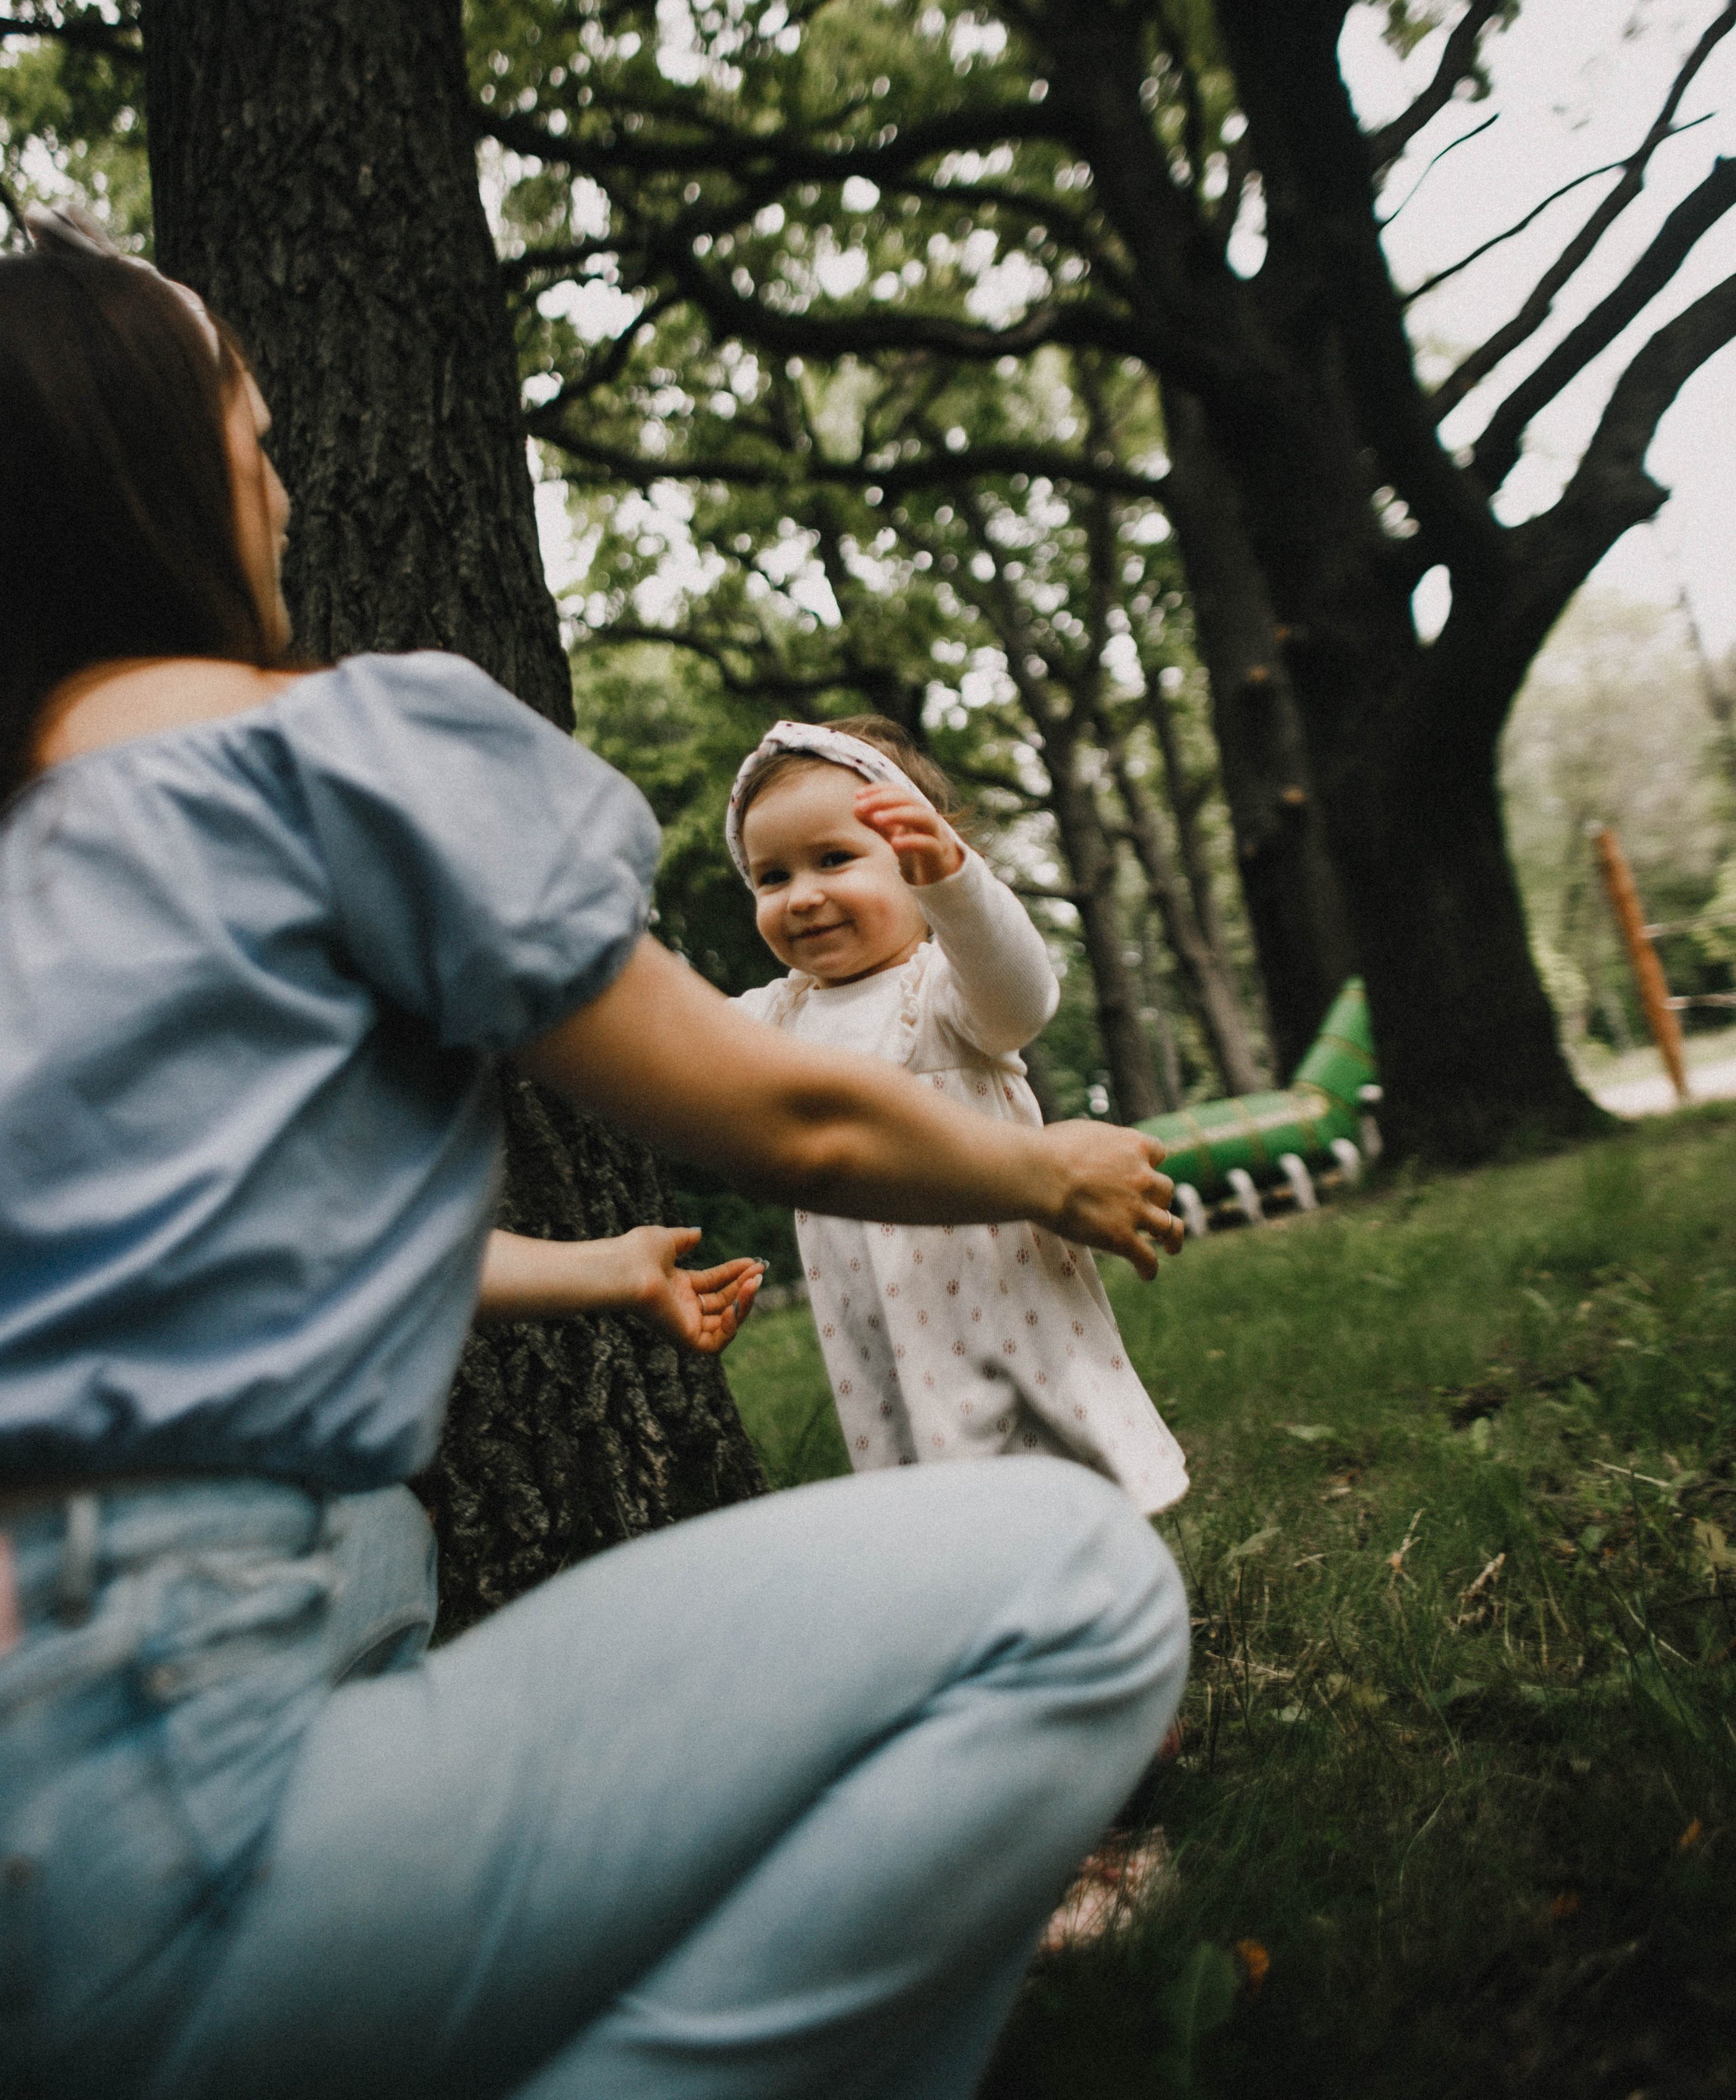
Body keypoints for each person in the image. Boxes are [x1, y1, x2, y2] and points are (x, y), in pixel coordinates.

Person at [0, 215, 1190, 2100]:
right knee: (1076, 1586)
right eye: (252, 421)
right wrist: (1050, 1174)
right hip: (200, 1761)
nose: (285, 480)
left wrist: (601, 1271)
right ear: (163, 459)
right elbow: (775, 1107)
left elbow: (235, 1272)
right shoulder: (328, 754)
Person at [726, 718, 1188, 1515]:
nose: (803, 896)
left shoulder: (941, 991)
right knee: (926, 1468)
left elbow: (1024, 994)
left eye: (834, 860)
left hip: (996, 1284)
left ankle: (1098, 1581)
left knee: (1048, 1454)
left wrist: (958, 885)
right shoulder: (777, 1016)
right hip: (873, 1310)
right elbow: (684, 1052)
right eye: (772, 878)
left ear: (913, 866)